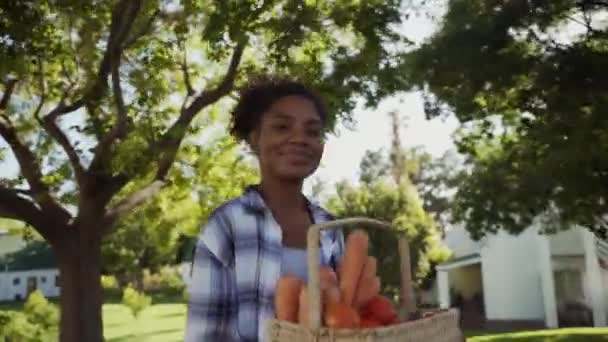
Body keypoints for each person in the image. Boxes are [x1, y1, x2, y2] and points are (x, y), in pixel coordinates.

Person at [184, 76, 345, 342]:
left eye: (312, 131)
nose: (300, 139)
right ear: (255, 138)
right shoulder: (227, 226)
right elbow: (205, 334)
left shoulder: (330, 228)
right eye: (282, 127)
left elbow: (347, 318)